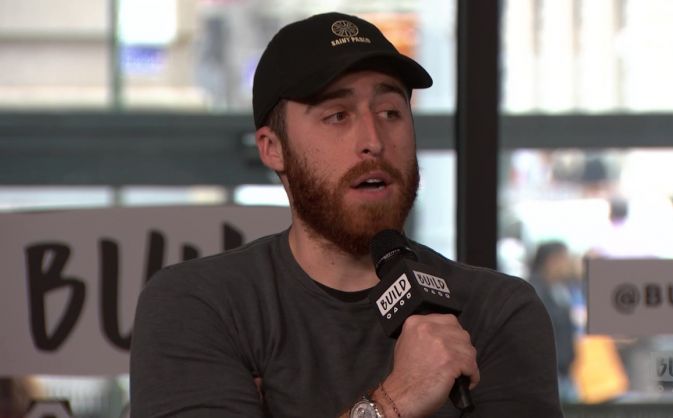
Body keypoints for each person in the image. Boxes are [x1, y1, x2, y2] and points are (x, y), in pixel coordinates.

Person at [130, 12, 562, 418]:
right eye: (337, 116)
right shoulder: (201, 305)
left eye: (391, 112)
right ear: (273, 148)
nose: (373, 139)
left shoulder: (497, 311)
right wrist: (397, 399)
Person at [527, 242, 578, 402]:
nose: (568, 264)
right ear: (552, 260)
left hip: (563, 372)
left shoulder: (559, 288)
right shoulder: (534, 291)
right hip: (547, 374)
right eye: (565, 258)